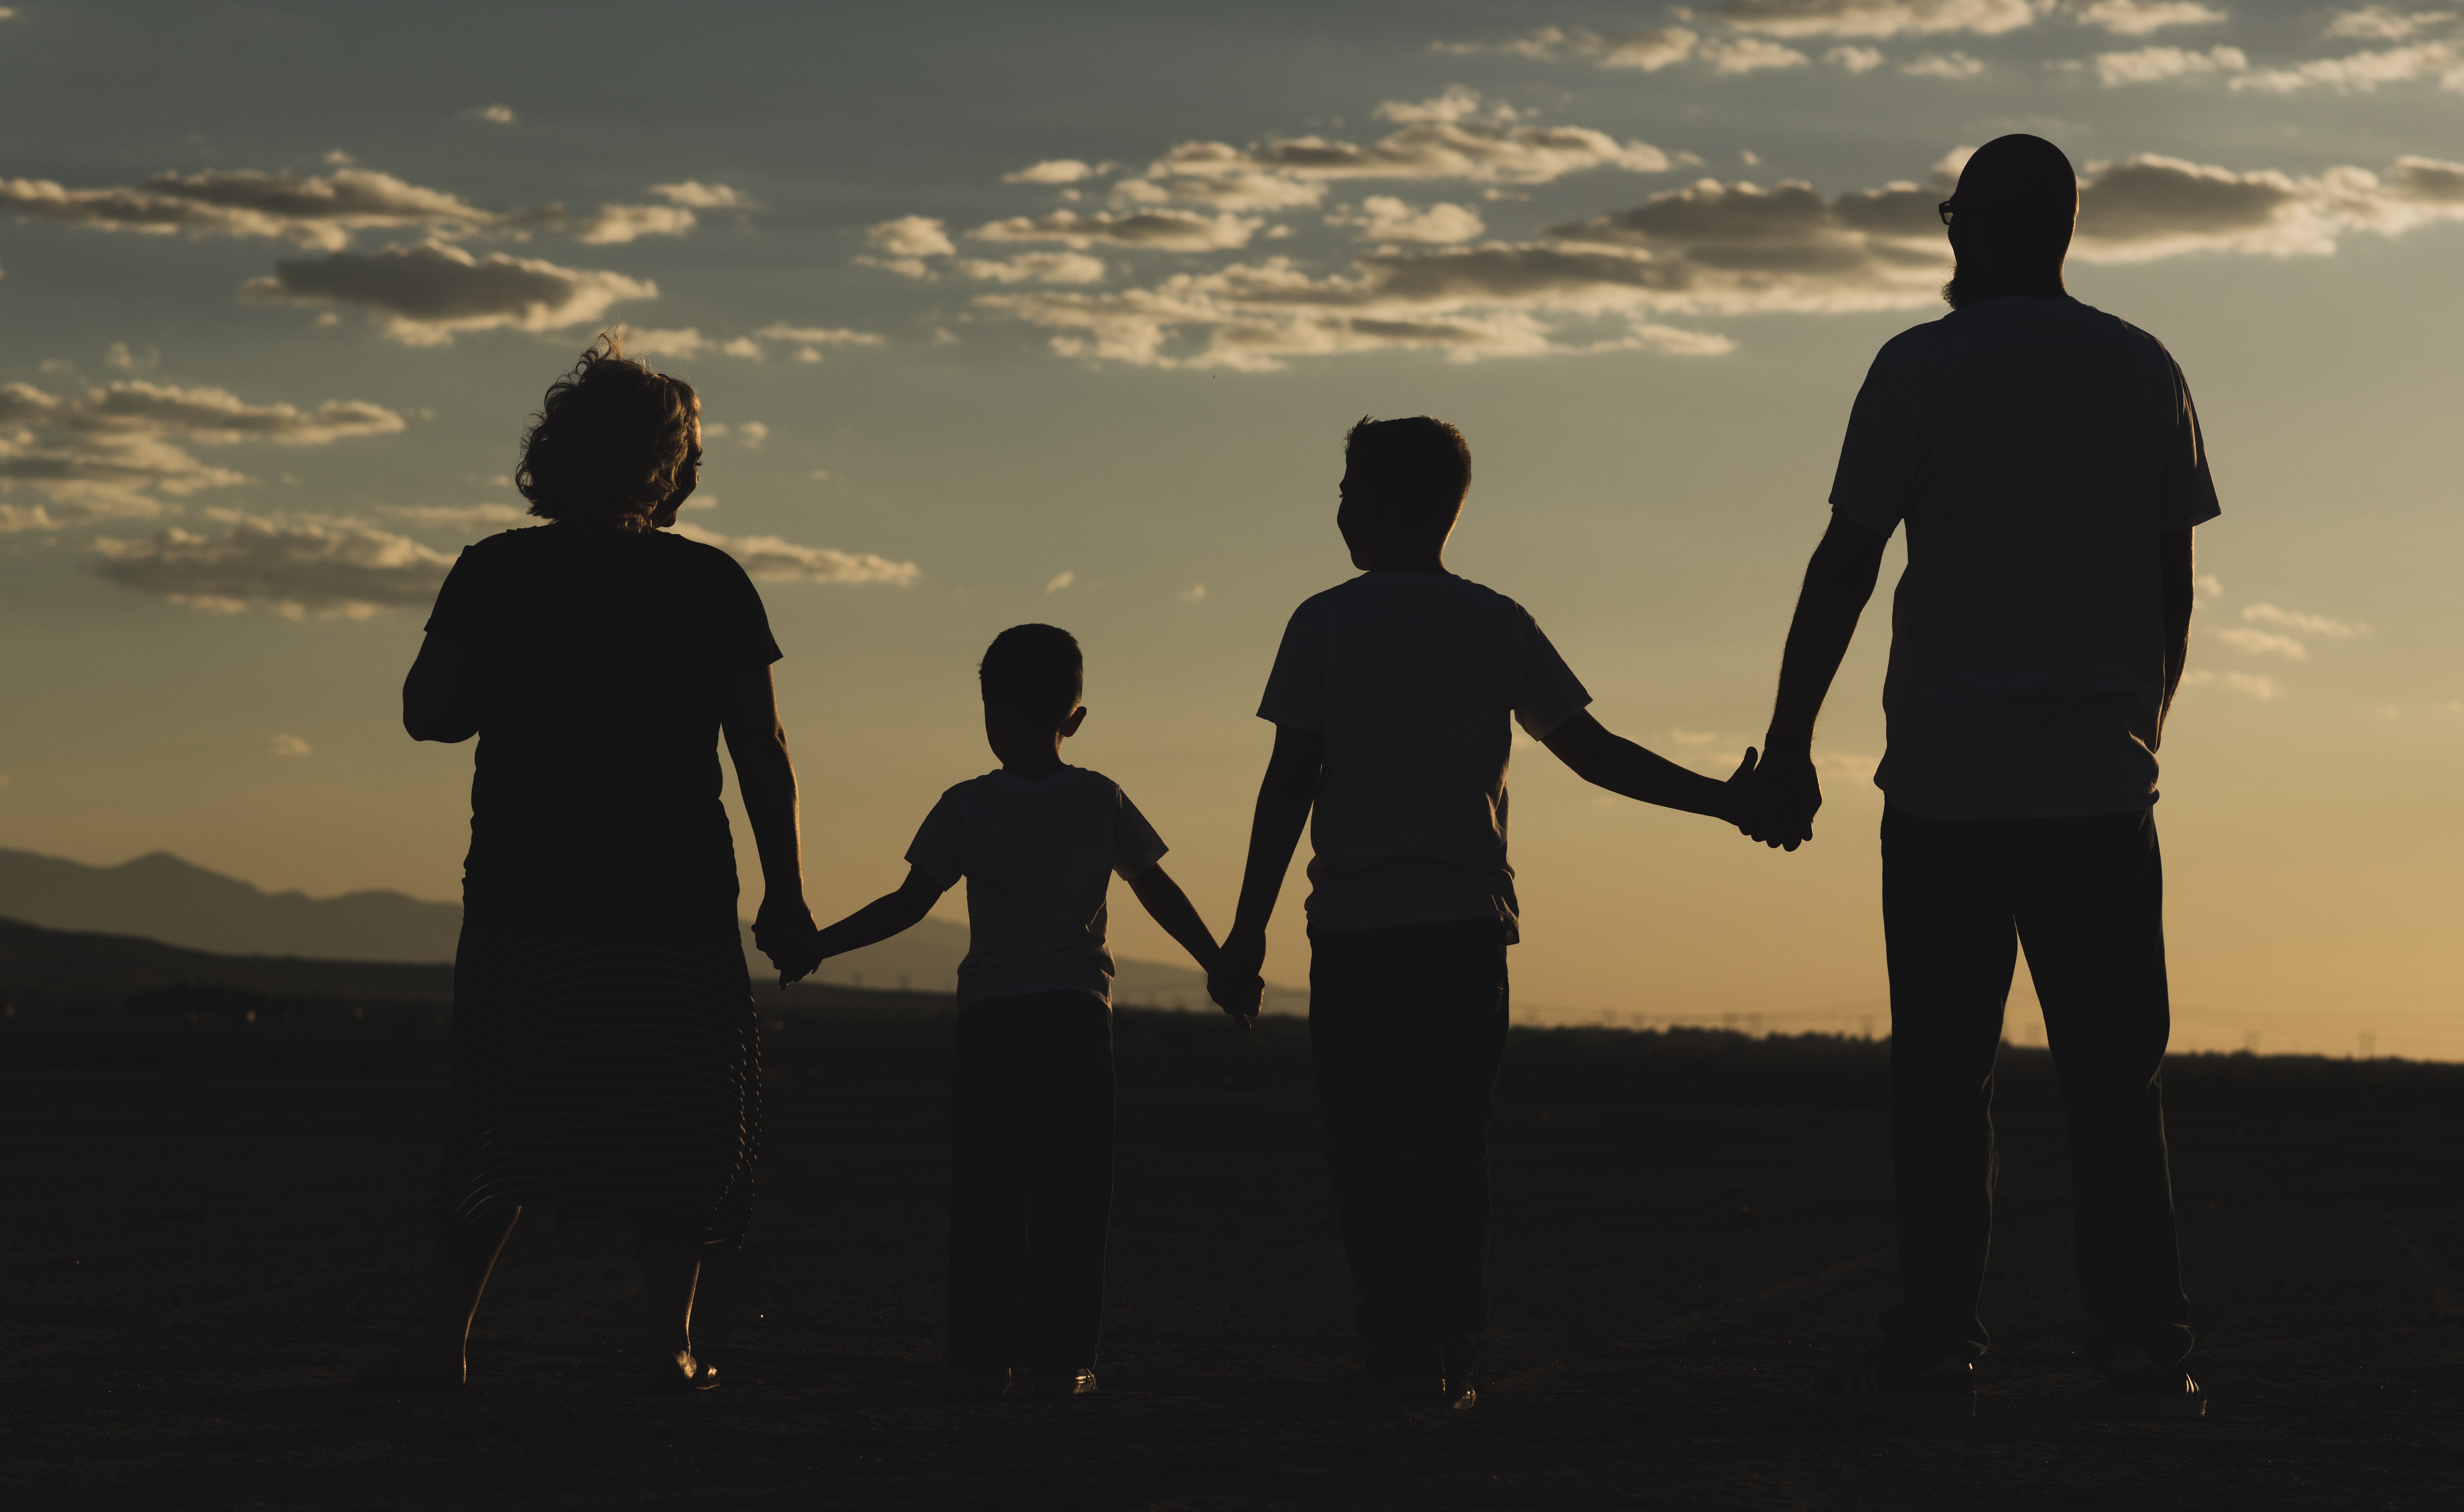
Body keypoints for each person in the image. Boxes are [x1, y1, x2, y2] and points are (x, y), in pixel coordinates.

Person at [1741, 135, 2218, 1420]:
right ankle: (2135, 1346)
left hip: (1948, 797)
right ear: (2062, 229)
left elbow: (1842, 563)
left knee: (1941, 1087)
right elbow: (2174, 586)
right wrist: (2140, 729)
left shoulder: (1917, 369)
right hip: (2096, 794)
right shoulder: (2141, 370)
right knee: (2114, 1086)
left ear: (1968, 230)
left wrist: (1788, 745)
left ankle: (1937, 1347)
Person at [1214, 415, 1760, 1411]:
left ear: (1379, 506)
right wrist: (1721, 799)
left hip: (1356, 933)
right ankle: (1443, 1354)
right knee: (1451, 1142)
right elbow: (1592, 749)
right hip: (1465, 928)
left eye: (1346, 493)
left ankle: (1399, 1347)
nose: (1337, 511)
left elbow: (1289, 780)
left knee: (1371, 1147)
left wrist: (1245, 929)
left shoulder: (1324, 623)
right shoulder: (1494, 621)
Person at [356, 333, 817, 1397]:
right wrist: (786, 893)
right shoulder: (710, 583)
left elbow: (429, 715)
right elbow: (764, 751)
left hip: (529, 894)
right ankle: (668, 1348)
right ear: (666, 465)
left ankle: (444, 1348)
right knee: (680, 1119)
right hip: (672, 901)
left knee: (500, 1114)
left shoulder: (495, 569)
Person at [788, 624, 1237, 1400]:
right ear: (1077, 717)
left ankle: (980, 1356)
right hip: (1073, 1019)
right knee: (1073, 1192)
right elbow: (1156, 890)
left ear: (990, 711)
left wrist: (820, 945)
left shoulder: (966, 806)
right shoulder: (1101, 798)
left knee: (989, 1192)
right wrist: (1219, 961)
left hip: (993, 1022)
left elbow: (906, 904)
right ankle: (1064, 1358)